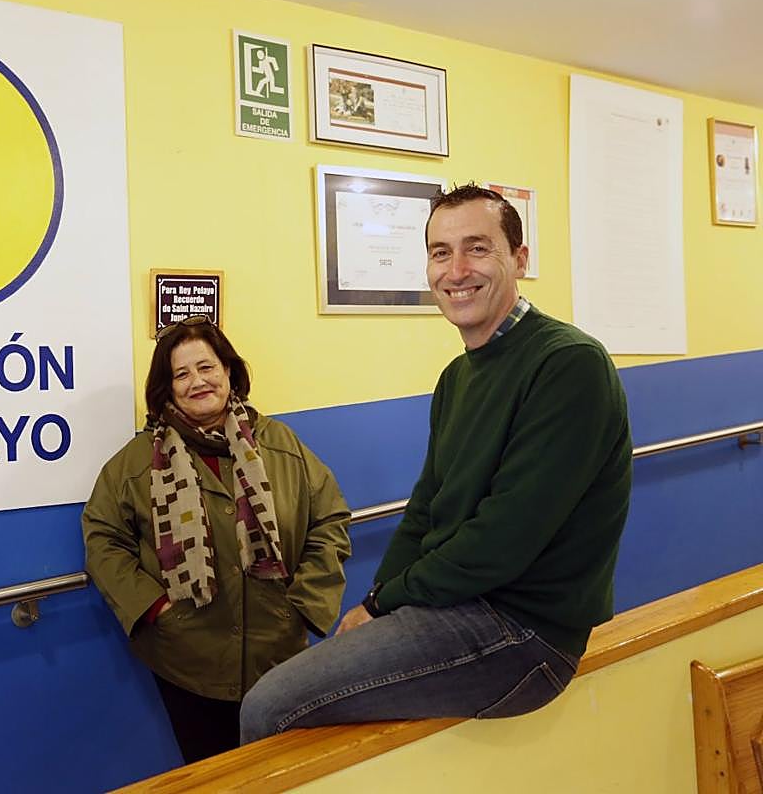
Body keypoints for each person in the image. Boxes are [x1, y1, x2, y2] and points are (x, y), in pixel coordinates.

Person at [240, 184, 633, 742]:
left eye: (478, 248)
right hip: (459, 606)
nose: (456, 270)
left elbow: (501, 541)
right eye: (440, 252)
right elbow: (425, 510)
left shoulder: (568, 364)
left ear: (519, 259)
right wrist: (377, 602)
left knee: (267, 707)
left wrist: (386, 602)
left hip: (524, 635)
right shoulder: (458, 377)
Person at [82, 316, 352, 763]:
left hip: (279, 656)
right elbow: (102, 537)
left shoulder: (280, 443)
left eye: (206, 367)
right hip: (188, 661)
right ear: (165, 389)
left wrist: (303, 602)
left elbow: (330, 518)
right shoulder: (136, 462)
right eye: (181, 374)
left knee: (280, 773)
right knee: (214, 777)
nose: (197, 382)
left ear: (229, 371)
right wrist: (155, 609)